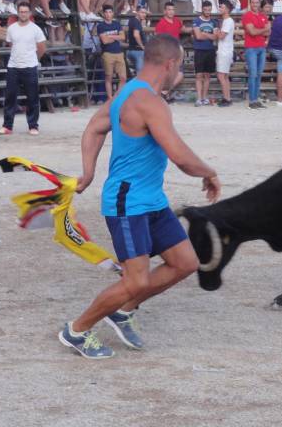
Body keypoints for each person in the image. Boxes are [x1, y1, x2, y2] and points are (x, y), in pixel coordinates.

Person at [58, 34, 222, 360]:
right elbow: (181, 157)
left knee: (185, 262)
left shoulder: (127, 92)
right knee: (135, 280)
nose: (181, 74)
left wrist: (88, 171)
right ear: (170, 64)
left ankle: (123, 310)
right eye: (181, 67)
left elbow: (93, 127)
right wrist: (209, 172)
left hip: (151, 200)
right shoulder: (149, 102)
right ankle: (76, 331)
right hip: (127, 203)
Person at [0, 2, 46, 136]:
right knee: (10, 97)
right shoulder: (12, 28)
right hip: (13, 67)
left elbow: (41, 47)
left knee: (32, 98)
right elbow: (11, 44)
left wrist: (35, 59)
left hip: (30, 66)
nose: (23, 14)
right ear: (18, 13)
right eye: (21, 11)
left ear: (29, 13)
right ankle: (7, 126)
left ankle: (33, 126)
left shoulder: (35, 29)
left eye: (25, 11)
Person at [155, 2, 193, 93]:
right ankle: (162, 93)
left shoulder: (177, 20)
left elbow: (183, 29)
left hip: (177, 52)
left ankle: (165, 92)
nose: (171, 12)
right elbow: (158, 40)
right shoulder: (161, 23)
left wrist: (194, 29)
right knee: (166, 74)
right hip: (167, 53)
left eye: (173, 9)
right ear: (165, 11)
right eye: (169, 9)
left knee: (179, 74)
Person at [242, 0, 271, 109]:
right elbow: (252, 32)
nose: (255, 5)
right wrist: (264, 29)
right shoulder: (247, 16)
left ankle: (256, 99)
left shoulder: (262, 16)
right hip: (251, 48)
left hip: (261, 48)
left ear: (259, 4)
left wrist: (262, 31)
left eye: (257, 3)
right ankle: (252, 100)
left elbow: (268, 33)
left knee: (258, 75)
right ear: (250, 4)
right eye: (253, 3)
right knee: (253, 74)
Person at [97, 4, 126, 100]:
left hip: (118, 52)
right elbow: (104, 41)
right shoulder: (101, 26)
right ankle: (110, 98)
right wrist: (116, 36)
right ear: (103, 14)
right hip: (107, 53)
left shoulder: (117, 24)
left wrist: (110, 36)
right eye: (106, 12)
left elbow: (123, 37)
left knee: (123, 77)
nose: (108, 14)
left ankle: (117, 97)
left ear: (113, 13)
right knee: (109, 77)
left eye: (110, 12)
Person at [193, 0, 219, 106]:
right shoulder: (196, 21)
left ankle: (204, 97)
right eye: (205, 9)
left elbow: (215, 36)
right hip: (199, 50)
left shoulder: (214, 22)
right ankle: (199, 98)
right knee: (199, 75)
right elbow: (198, 37)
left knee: (207, 75)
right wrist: (209, 35)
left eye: (209, 9)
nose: (208, 11)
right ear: (202, 9)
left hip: (210, 50)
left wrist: (204, 33)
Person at [216, 0, 235, 106]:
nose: (220, 9)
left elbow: (221, 36)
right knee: (225, 76)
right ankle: (227, 98)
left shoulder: (228, 21)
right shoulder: (227, 21)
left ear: (227, 9)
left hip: (224, 51)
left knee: (221, 76)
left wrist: (216, 31)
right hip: (226, 51)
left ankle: (226, 98)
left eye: (222, 7)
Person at [127, 6, 148, 75]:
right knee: (140, 74)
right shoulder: (136, 22)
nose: (144, 14)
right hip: (138, 51)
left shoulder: (133, 20)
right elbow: (136, 35)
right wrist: (142, 47)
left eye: (145, 13)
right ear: (137, 12)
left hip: (132, 50)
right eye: (142, 12)